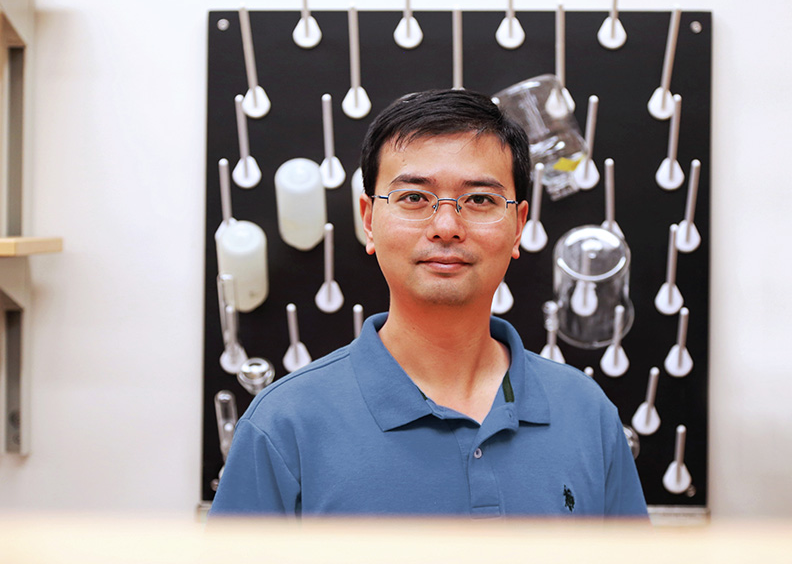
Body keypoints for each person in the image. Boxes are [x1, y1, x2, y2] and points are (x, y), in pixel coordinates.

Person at [208, 89, 647, 518]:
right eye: (414, 197)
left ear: (518, 226)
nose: (446, 226)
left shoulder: (589, 416)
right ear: (369, 220)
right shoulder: (283, 426)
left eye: (479, 199)